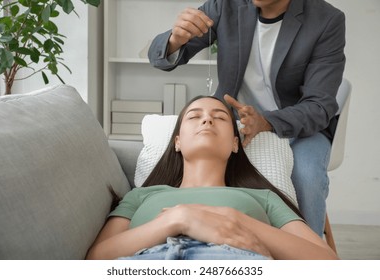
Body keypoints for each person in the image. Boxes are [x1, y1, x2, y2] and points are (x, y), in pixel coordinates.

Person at [147, 0, 346, 236]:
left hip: (297, 128)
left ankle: (308, 253)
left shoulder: (326, 19)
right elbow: (160, 57)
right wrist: (175, 40)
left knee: (306, 175)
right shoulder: (226, 5)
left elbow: (319, 107)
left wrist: (267, 122)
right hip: (232, 123)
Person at [86, 96, 338, 260]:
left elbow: (327, 262)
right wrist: (178, 219)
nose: (207, 118)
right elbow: (96, 259)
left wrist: (237, 220)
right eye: (195, 116)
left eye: (220, 117)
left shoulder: (264, 197)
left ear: (235, 144)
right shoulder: (141, 195)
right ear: (177, 142)